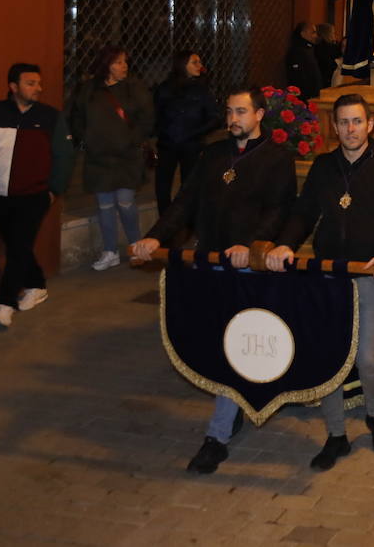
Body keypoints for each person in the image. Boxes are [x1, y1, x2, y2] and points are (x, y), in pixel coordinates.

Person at [131, 87, 298, 473]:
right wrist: (156, 235)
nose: (233, 119)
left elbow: (279, 210)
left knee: (236, 344)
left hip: (247, 269)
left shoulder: (277, 159)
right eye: (229, 112)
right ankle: (236, 404)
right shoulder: (211, 156)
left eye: (241, 111)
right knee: (217, 343)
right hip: (208, 265)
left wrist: (249, 245)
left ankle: (216, 436)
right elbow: (184, 203)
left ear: (259, 115)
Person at [266, 95, 374, 470]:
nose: (350, 129)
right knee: (329, 357)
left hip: (370, 274)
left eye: (357, 122)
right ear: (333, 128)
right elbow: (303, 212)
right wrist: (285, 243)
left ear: (369, 125)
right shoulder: (323, 167)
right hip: (328, 277)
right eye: (343, 123)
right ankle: (336, 435)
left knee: (367, 358)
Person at [0, 63, 74, 329]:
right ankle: (36, 284)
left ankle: (5, 305)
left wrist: (54, 190)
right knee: (17, 246)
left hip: (33, 196)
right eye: (31, 83)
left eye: (39, 83)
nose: (38, 88)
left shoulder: (51, 117)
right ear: (13, 87)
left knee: (18, 247)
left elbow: (64, 156)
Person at [71, 47, 154, 272]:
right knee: (104, 205)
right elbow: (77, 117)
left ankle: (136, 247)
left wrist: (132, 140)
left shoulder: (134, 88)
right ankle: (110, 251)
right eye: (118, 62)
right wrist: (86, 140)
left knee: (126, 202)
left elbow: (147, 118)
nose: (124, 66)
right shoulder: (89, 90)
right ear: (106, 64)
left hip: (127, 156)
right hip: (99, 157)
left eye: (125, 62)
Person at [152, 50, 220, 215]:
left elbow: (215, 118)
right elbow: (156, 114)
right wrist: (163, 133)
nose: (200, 66)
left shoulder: (202, 90)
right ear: (183, 65)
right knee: (162, 186)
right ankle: (165, 222)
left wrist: (194, 133)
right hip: (167, 144)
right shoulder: (165, 88)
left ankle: (185, 222)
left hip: (191, 146)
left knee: (189, 187)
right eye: (195, 62)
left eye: (200, 62)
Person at [285, 23, 323, 101]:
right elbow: (298, 77)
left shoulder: (309, 49)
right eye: (313, 32)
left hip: (313, 96)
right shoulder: (297, 52)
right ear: (303, 34)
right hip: (304, 97)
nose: (315, 36)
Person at [314, 24, 341, 90]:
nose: (334, 34)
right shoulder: (329, 48)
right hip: (328, 79)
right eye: (333, 32)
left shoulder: (316, 46)